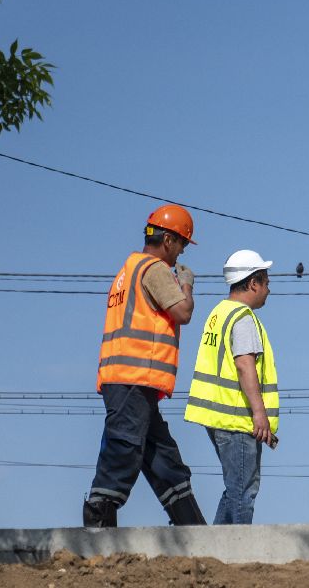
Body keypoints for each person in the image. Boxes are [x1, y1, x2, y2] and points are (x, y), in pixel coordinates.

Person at [84, 204, 206, 528]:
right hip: (133, 377)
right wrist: (187, 285)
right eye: (181, 244)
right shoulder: (154, 269)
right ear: (168, 240)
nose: (181, 254)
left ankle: (192, 526)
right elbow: (183, 312)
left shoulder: (128, 271)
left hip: (131, 379)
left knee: (161, 455)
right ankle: (98, 522)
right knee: (123, 447)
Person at [185, 249, 279, 524]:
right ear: (253, 283)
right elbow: (244, 365)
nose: (269, 289)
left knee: (234, 489)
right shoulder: (243, 318)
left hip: (218, 418)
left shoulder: (218, 313)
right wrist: (259, 413)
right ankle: (238, 553)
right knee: (243, 493)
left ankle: (216, 550)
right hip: (237, 420)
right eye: (266, 282)